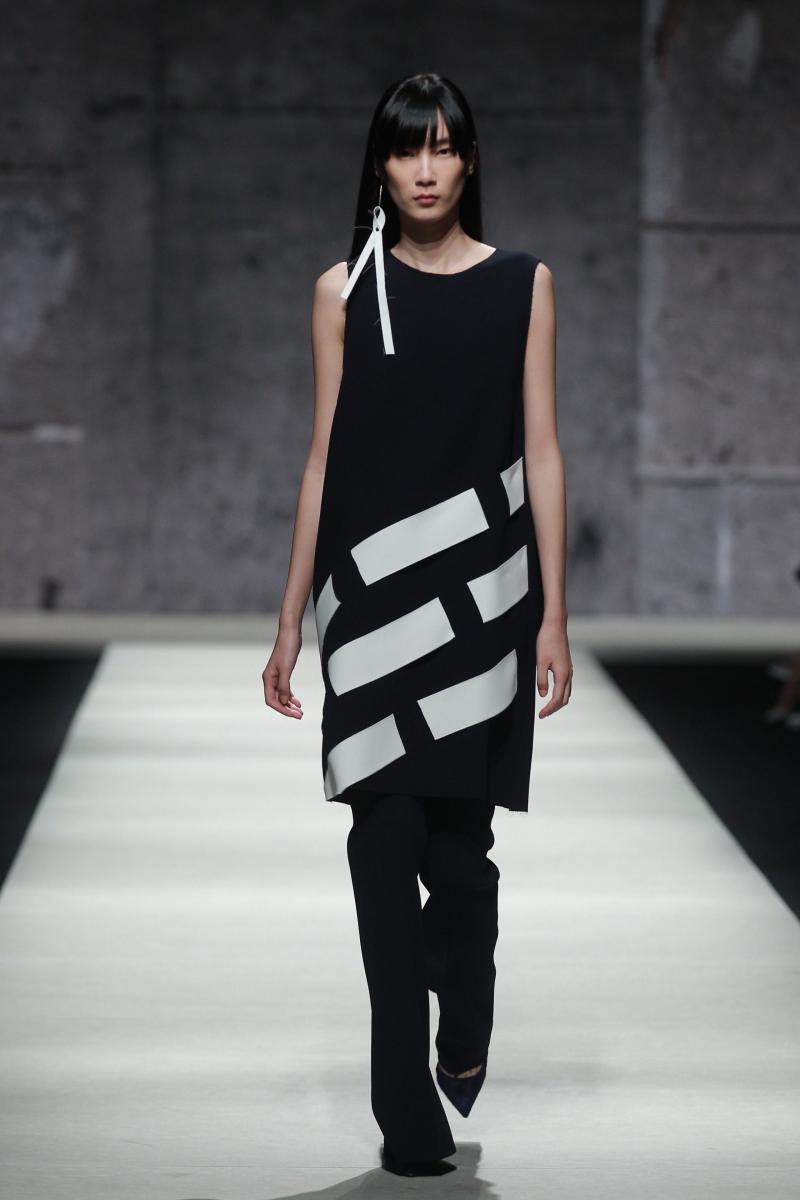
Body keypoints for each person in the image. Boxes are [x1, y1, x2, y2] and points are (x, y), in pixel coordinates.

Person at [263, 72, 572, 1177]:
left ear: (469, 161)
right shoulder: (341, 291)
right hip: (368, 605)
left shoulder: (523, 285)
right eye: (407, 150)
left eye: (443, 148)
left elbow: (542, 450)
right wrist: (290, 619)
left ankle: (466, 1006)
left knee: (461, 859)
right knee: (381, 849)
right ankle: (406, 1110)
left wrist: (554, 614)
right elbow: (320, 458)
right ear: (382, 166)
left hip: (481, 600)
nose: (426, 169)